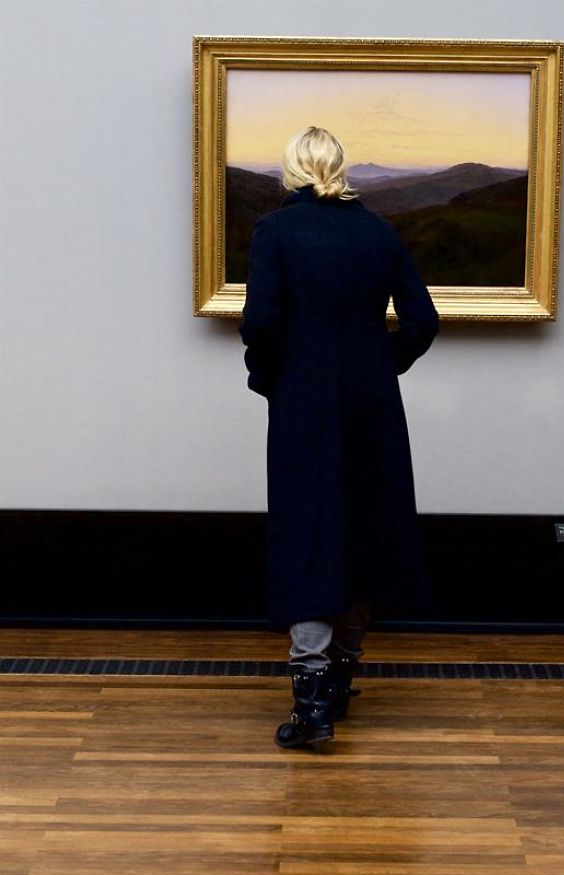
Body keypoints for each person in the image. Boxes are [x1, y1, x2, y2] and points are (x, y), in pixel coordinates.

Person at [238, 126, 440, 749]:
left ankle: (311, 706)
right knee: (365, 526)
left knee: (308, 528)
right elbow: (422, 321)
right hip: (372, 402)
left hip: (305, 400)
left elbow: (260, 323)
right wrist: (381, 365)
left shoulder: (276, 231)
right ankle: (343, 679)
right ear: (341, 168)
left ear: (292, 170)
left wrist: (271, 378)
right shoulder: (378, 231)